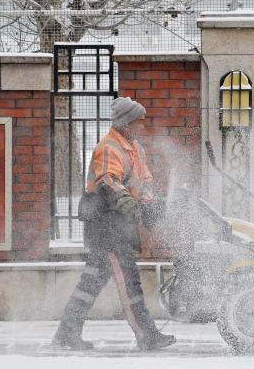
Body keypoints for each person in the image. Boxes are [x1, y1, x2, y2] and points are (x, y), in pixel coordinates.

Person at [52, 97, 176, 351]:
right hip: (106, 227)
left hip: (118, 225)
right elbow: (108, 180)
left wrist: (153, 200)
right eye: (139, 122)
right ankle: (147, 335)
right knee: (129, 281)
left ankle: (66, 332)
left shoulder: (135, 148)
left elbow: (143, 183)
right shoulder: (109, 147)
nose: (142, 126)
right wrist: (124, 198)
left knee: (90, 284)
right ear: (126, 123)